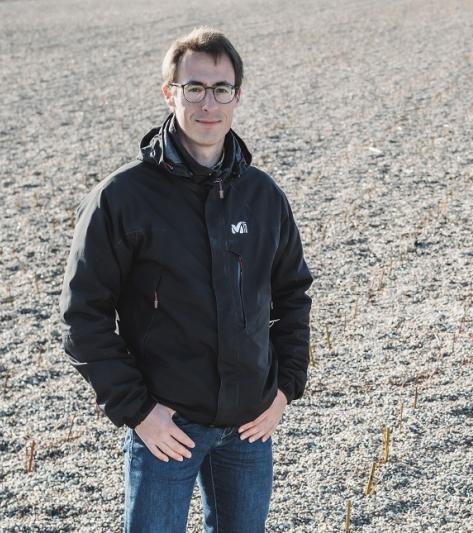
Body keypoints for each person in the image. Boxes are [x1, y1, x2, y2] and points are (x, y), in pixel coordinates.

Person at [60, 27, 313, 532]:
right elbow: (82, 316)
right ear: (169, 92)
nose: (207, 103)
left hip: (250, 426)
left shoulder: (263, 196)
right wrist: (139, 411)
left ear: (237, 95)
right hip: (167, 428)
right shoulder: (122, 198)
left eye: (221, 89)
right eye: (193, 88)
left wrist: (285, 390)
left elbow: (292, 295)